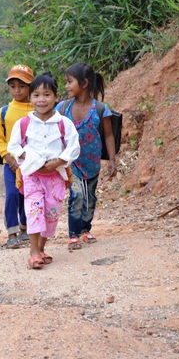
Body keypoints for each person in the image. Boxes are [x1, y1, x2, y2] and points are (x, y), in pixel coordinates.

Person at [7, 73, 80, 269]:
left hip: (56, 178)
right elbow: (13, 146)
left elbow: (74, 146)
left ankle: (40, 248)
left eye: (47, 95)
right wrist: (30, 159)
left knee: (51, 214)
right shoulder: (24, 124)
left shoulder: (64, 124)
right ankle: (33, 252)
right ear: (30, 98)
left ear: (56, 97)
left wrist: (59, 161)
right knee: (34, 211)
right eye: (36, 95)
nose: (41, 100)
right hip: (32, 176)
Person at [56, 63, 117, 250]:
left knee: (90, 198)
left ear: (84, 83)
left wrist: (112, 160)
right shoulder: (63, 108)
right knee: (77, 196)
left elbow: (108, 135)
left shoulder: (100, 109)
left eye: (70, 82)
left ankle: (85, 229)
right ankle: (73, 234)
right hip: (71, 163)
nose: (66, 86)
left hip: (92, 163)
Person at [0, 64, 35, 249]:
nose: (17, 90)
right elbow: (0, 139)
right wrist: (8, 158)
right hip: (10, 163)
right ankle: (12, 233)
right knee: (12, 194)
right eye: (13, 86)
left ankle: (25, 227)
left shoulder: (37, 109)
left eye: (22, 86)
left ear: (30, 87)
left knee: (28, 194)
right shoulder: (4, 111)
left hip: (31, 163)